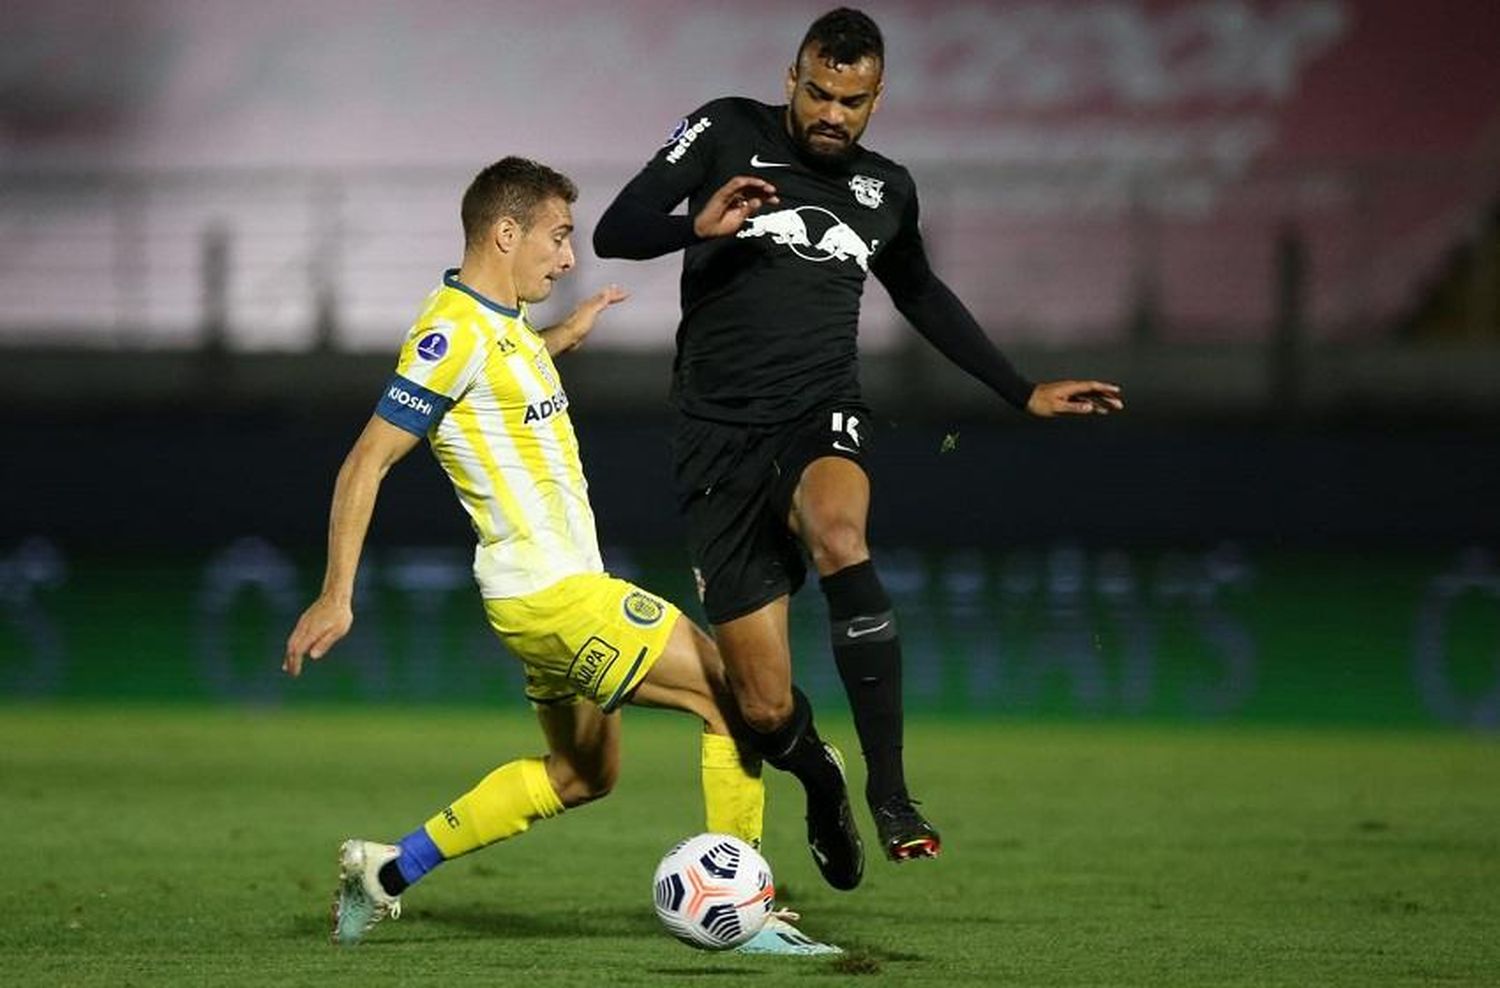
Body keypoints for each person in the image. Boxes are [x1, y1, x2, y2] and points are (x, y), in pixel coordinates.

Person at [593, 8, 1124, 871]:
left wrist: (1019, 390)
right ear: (790, 79)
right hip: (714, 438)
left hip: (819, 411)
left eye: (853, 99)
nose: (832, 114)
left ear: (878, 98)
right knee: (762, 712)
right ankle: (824, 781)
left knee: (842, 533)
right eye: (818, 93)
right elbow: (616, 229)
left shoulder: (887, 189)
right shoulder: (726, 129)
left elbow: (919, 292)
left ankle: (891, 791)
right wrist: (697, 225)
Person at [281, 157, 844, 954]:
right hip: (554, 593)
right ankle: (746, 919)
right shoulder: (451, 331)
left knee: (581, 776)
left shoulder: (501, 323)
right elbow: (365, 461)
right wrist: (337, 593)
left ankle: (386, 871)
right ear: (505, 232)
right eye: (559, 236)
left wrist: (556, 343)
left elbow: (497, 386)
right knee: (731, 694)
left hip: (540, 595)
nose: (569, 257)